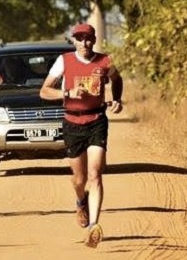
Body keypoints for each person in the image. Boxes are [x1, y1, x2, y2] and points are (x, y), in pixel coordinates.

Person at [39, 23, 123, 248]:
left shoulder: (105, 61)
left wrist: (117, 99)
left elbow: (117, 79)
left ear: (94, 40)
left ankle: (93, 226)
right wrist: (67, 92)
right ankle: (80, 201)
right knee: (80, 179)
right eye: (79, 39)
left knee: (95, 174)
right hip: (72, 122)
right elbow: (44, 91)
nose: (84, 43)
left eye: (88, 39)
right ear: (74, 41)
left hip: (97, 120)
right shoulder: (64, 61)